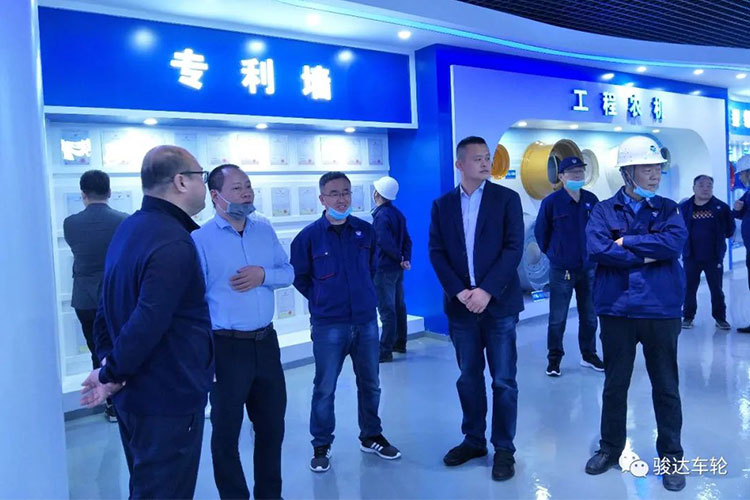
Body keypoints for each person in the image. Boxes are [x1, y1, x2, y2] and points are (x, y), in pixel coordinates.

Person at [80, 145, 214, 499]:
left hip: (135, 396)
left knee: (146, 488)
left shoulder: (130, 228)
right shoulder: (173, 241)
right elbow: (148, 320)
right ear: (181, 182)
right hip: (168, 398)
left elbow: (104, 308)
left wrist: (108, 366)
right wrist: (111, 372)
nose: (204, 184)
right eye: (201, 176)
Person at [584, 136, 687, 492]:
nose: (655, 174)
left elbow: (674, 244)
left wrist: (628, 243)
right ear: (627, 172)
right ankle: (610, 448)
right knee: (615, 385)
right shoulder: (603, 211)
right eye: (647, 168)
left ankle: (671, 458)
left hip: (661, 309)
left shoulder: (670, 209)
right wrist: (650, 253)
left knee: (666, 386)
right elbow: (598, 249)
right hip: (617, 310)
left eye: (657, 168)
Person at [192, 164, 293, 500]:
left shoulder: (264, 230)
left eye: (248, 186)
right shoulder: (200, 240)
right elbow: (193, 299)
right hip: (226, 349)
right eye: (237, 188)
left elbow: (288, 272)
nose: (246, 193)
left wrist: (263, 275)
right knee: (225, 435)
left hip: (266, 344)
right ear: (215, 196)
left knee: (272, 429)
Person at [290, 171, 401, 473]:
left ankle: (371, 435)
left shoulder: (365, 231)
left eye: (346, 192)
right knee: (325, 387)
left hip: (365, 321)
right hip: (329, 324)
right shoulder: (309, 237)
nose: (341, 199)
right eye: (334, 193)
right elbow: (300, 277)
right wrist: (322, 298)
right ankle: (321, 444)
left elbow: (372, 267)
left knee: (371, 383)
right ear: (322, 199)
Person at [428, 136, 524, 481]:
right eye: (477, 158)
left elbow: (513, 249)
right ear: (460, 165)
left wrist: (486, 291)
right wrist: (459, 292)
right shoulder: (442, 205)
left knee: (504, 381)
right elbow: (436, 252)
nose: (485, 163)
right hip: (461, 308)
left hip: (498, 306)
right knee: (468, 378)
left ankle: (504, 448)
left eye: (487, 157)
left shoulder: (506, 200)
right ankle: (474, 440)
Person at [63, 170, 127, 422]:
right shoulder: (124, 221)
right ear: (109, 192)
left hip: (85, 298)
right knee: (122, 347)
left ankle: (109, 403)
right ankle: (123, 401)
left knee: (96, 349)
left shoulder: (70, 223)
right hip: (115, 297)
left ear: (83, 194)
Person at [534, 156, 603, 377]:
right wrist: (555, 254)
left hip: (589, 268)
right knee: (558, 318)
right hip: (561, 270)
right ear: (561, 177)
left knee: (590, 316)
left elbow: (600, 230)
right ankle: (554, 360)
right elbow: (541, 233)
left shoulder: (591, 200)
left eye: (580, 172)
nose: (578, 175)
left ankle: (589, 355)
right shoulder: (551, 203)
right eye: (572, 172)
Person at [679, 175, 735, 330]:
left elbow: (730, 229)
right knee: (689, 288)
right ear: (694, 188)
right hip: (691, 256)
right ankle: (688, 317)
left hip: (713, 257)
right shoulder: (684, 208)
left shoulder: (721, 207)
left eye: (709, 185)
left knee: (717, 289)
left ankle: (720, 318)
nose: (705, 188)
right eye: (701, 185)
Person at [371, 175, 413, 362]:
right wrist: (405, 259)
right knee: (398, 306)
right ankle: (400, 343)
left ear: (377, 193)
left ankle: (384, 351)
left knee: (387, 310)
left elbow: (384, 241)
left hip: (384, 268)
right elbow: (407, 240)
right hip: (397, 269)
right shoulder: (398, 214)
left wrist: (399, 258)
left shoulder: (381, 216)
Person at [732, 155, 750, 333]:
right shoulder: (748, 193)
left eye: (742, 174)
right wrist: (737, 209)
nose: (740, 178)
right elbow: (737, 213)